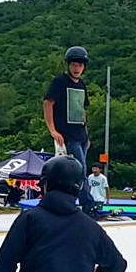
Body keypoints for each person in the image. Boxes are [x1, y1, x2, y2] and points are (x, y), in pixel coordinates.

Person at [43, 46, 98, 216]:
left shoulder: (81, 84)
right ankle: (88, 206)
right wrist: (52, 129)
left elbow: (82, 110)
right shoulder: (59, 81)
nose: (77, 68)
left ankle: (69, 204)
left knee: (82, 169)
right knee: (79, 171)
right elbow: (47, 103)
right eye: (74, 65)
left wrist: (86, 134)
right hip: (67, 135)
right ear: (68, 65)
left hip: (80, 134)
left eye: (80, 65)